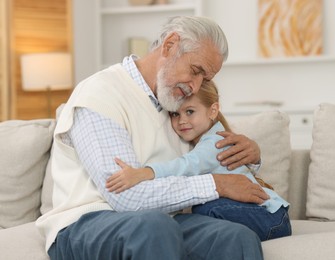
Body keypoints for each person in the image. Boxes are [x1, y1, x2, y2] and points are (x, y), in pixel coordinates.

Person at [36, 16, 269, 259]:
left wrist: (250, 155)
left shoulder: (176, 103)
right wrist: (216, 184)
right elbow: (125, 197)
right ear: (169, 46)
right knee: (154, 228)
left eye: (205, 79)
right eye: (195, 71)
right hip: (86, 223)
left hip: (163, 220)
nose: (196, 86)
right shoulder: (100, 92)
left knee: (236, 237)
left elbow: (208, 155)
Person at [106, 80, 292, 241]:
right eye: (175, 114)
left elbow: (187, 165)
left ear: (213, 111)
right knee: (204, 209)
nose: (182, 121)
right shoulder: (201, 139)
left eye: (190, 111)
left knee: (206, 210)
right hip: (265, 217)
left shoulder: (215, 143)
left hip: (272, 219)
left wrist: (142, 173)